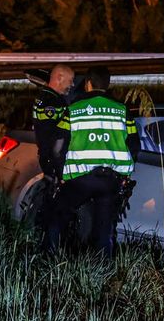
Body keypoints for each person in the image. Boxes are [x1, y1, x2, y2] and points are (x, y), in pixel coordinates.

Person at [40, 73, 138, 257]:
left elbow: (58, 146)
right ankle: (103, 267)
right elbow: (133, 145)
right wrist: (124, 176)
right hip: (110, 180)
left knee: (57, 216)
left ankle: (48, 259)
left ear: (88, 84)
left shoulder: (74, 108)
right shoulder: (122, 110)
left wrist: (60, 175)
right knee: (104, 230)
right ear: (107, 84)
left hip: (80, 179)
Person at [32, 64, 74, 183]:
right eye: (70, 80)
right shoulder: (51, 102)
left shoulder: (48, 97)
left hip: (49, 160)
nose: (72, 85)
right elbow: (51, 136)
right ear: (60, 78)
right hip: (53, 162)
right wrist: (57, 166)